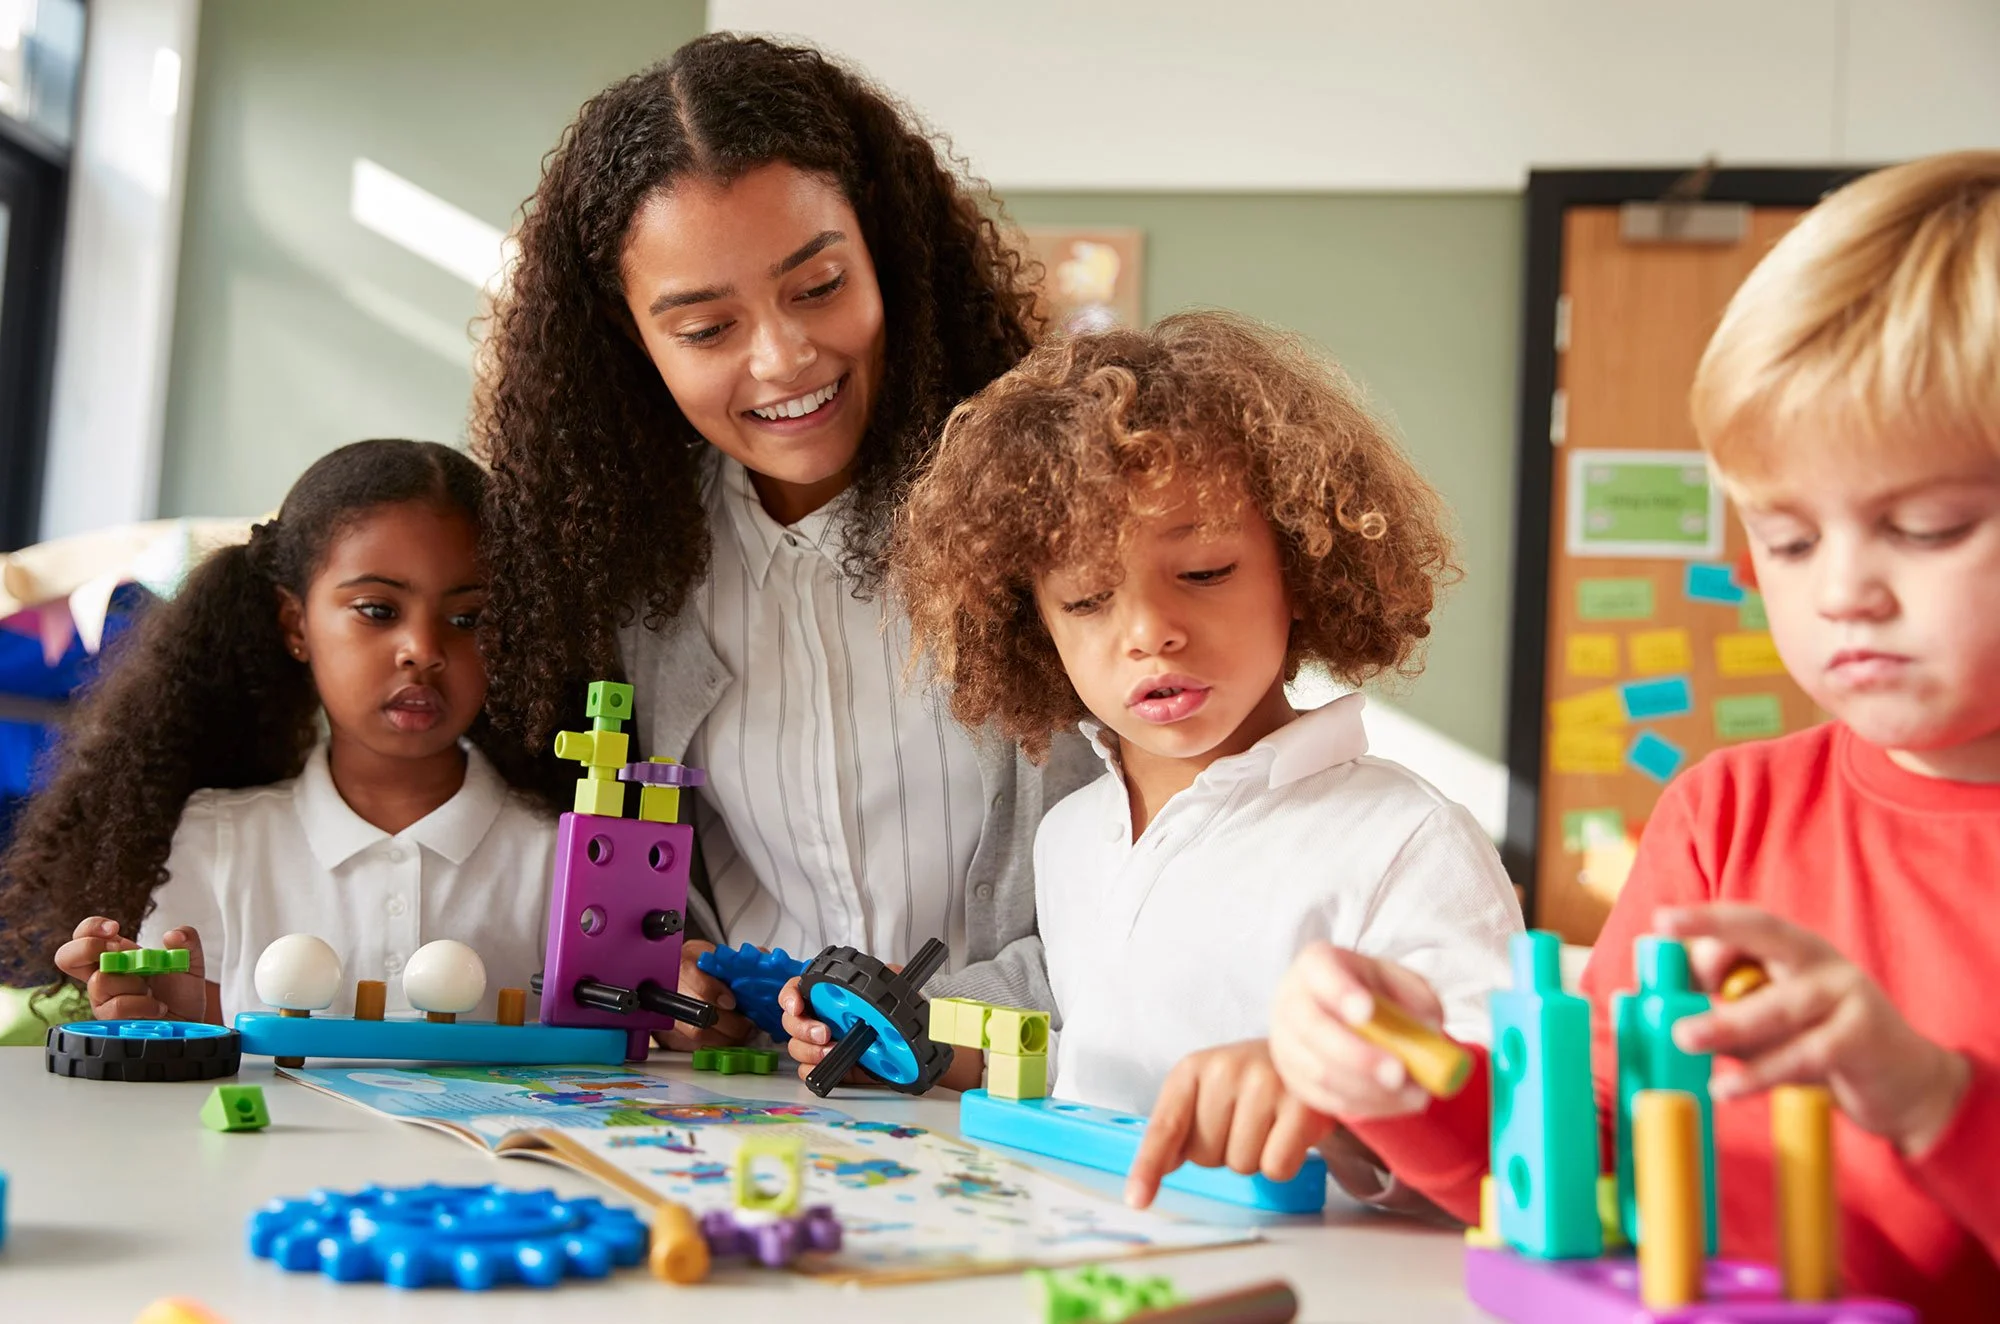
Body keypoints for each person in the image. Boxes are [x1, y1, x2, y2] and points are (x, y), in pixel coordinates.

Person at [1271, 153, 2000, 1322]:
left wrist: (1934, 1103)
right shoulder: (1722, 816)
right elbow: (1595, 1154)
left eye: (1925, 526)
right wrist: (1399, 1076)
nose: (1841, 592)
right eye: (1787, 540)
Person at [820, 311, 1521, 1203]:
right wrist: (918, 1049)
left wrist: (1333, 1102)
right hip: (1085, 1249)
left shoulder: (1405, 840)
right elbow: (1097, 1064)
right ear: (1033, 627)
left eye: (1204, 573)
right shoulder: (1072, 836)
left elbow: (1514, 1133)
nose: (1150, 631)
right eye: (1087, 599)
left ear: (1301, 571)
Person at [475, 34, 1098, 1025]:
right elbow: (639, 870)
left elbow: (1154, 871)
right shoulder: (627, 572)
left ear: (882, 251)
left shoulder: (1056, 515)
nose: (782, 358)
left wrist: (919, 1026)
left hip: (1029, 1079)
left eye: (818, 288)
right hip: (754, 1091)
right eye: (705, 329)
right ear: (633, 338)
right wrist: (677, 963)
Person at [0, 440, 556, 1024]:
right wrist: (168, 1023)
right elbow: (188, 1053)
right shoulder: (215, 842)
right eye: (378, 610)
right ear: (296, 624)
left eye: (468, 618)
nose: (423, 649)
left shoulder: (565, 856)